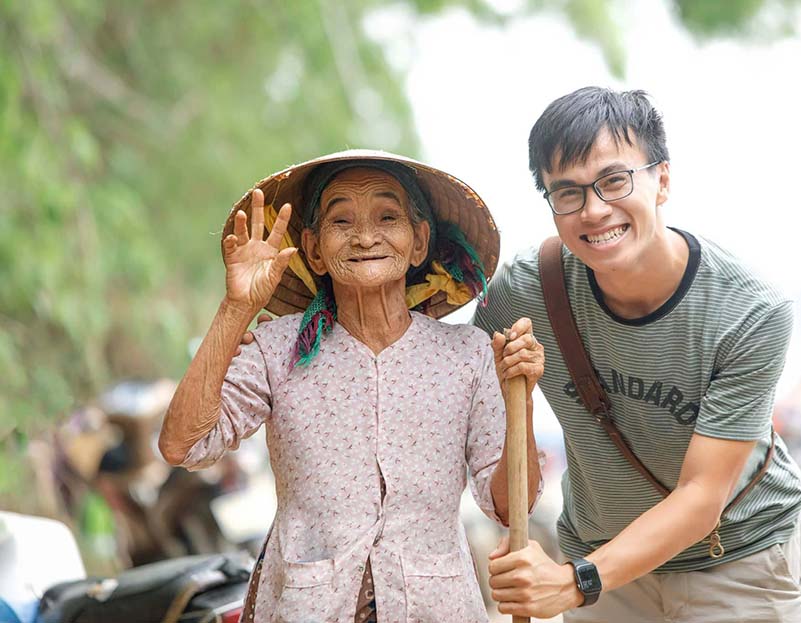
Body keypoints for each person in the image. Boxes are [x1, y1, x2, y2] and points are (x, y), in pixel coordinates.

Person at [158, 150, 544, 623]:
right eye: (342, 220)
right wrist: (238, 306)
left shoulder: (467, 354)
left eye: (388, 216)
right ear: (314, 248)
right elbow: (184, 445)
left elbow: (511, 506)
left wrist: (518, 399)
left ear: (418, 241)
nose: (365, 236)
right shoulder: (278, 348)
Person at [475, 88, 801, 622]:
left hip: (736, 558)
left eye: (614, 180)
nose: (594, 210)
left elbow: (703, 495)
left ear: (663, 180)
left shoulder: (749, 310)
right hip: (600, 548)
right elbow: (491, 452)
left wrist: (573, 582)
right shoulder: (520, 294)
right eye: (567, 192)